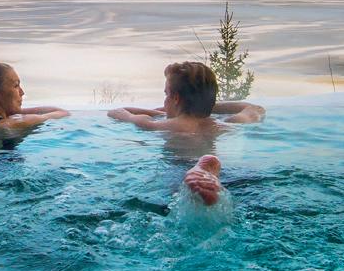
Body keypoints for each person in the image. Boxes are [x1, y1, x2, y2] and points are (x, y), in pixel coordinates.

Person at [108, 61, 264, 205]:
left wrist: (156, 113)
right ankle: (209, 169)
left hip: (180, 172)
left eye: (166, 94)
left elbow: (118, 112)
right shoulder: (225, 124)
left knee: (178, 199)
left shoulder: (160, 125)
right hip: (227, 174)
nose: (164, 101)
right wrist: (202, 103)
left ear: (176, 98)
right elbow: (254, 108)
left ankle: (199, 172)